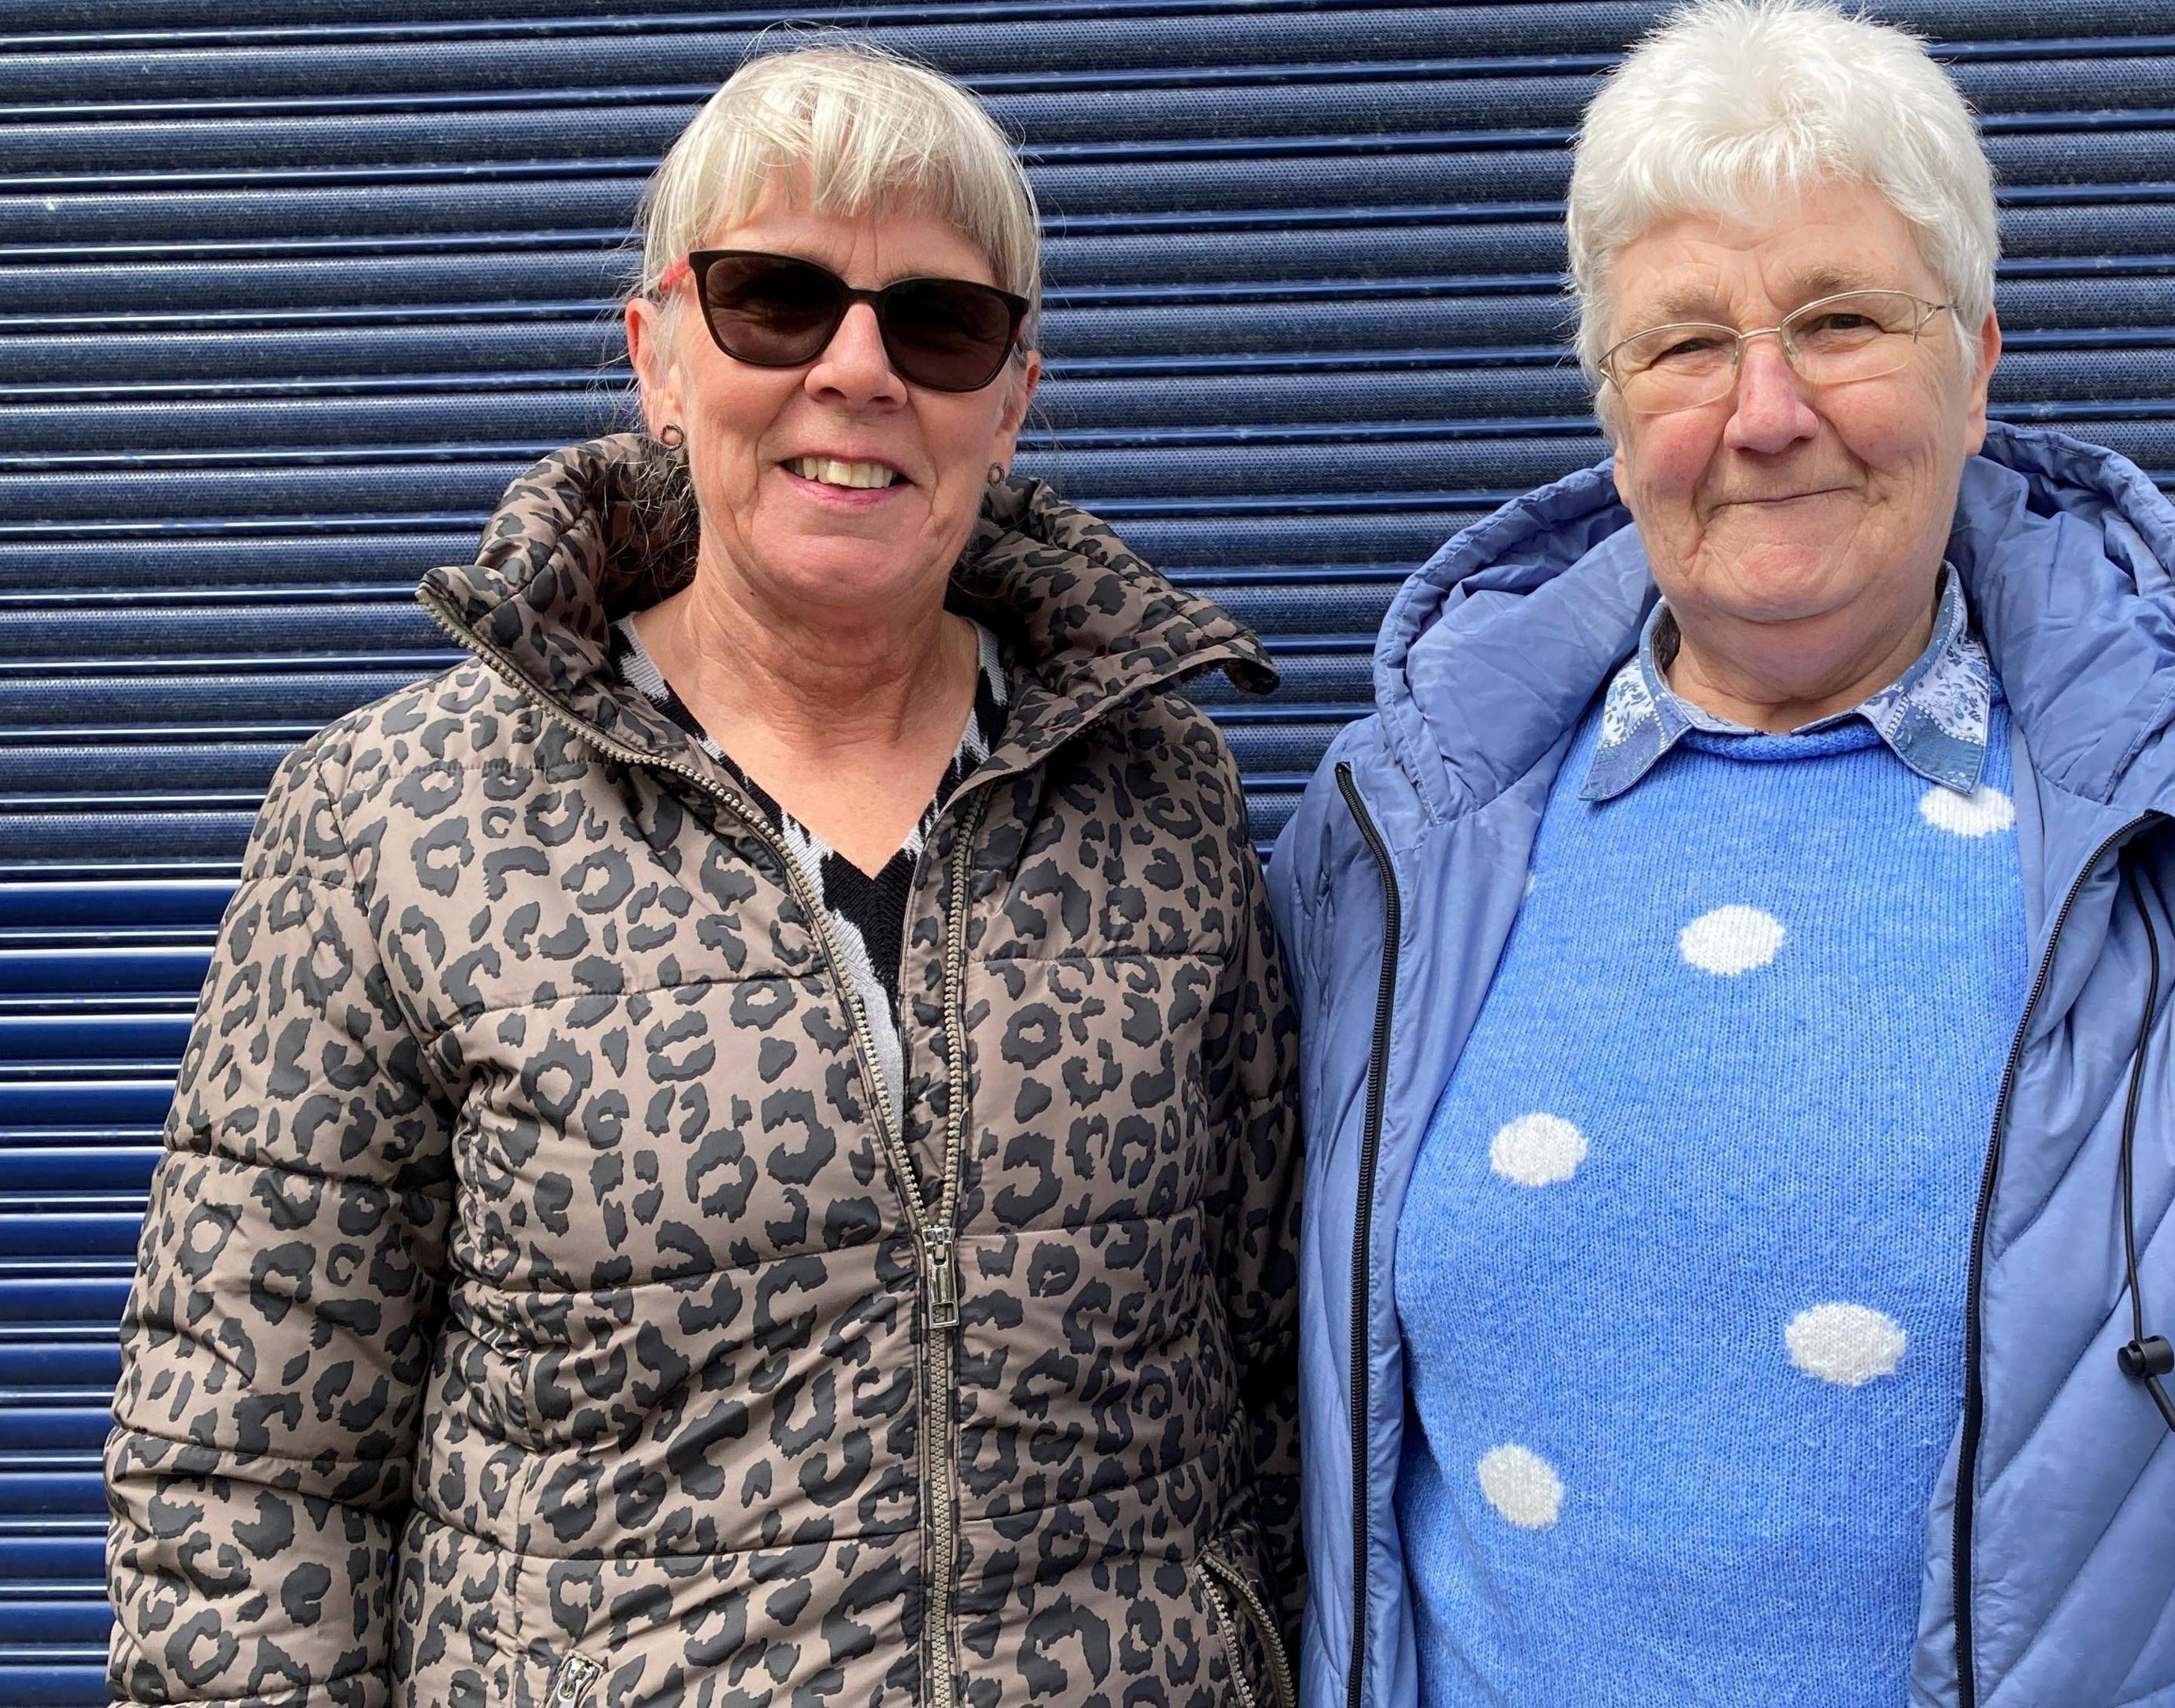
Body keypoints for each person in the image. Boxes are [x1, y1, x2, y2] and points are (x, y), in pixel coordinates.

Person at [1266, 4, 2175, 1705]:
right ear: (1613, 410)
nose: (1764, 410)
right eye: (1684, 345)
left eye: (1841, 320)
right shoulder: (1391, 837)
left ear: (1979, 359)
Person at [104, 42, 1299, 1708]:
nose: (858, 372)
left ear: (1013, 397)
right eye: (773, 302)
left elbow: (1264, 1384)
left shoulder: (1159, 792)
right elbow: (248, 1469)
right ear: (655, 354)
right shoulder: (395, 816)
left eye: (939, 324)